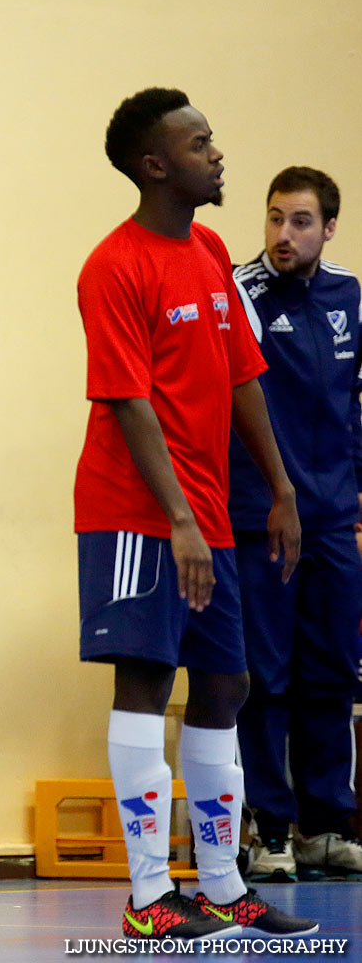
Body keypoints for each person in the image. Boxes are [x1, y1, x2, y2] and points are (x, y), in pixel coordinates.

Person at [74, 87, 316, 938]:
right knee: (146, 680)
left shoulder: (211, 251)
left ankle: (221, 884)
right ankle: (149, 899)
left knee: (227, 683)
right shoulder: (114, 265)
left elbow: (243, 373)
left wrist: (280, 488)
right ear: (155, 165)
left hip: (206, 512)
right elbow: (129, 403)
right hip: (135, 513)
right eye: (200, 142)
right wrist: (176, 518)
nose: (217, 154)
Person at [228, 166, 362, 881]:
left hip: (336, 521)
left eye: (301, 221)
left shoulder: (350, 294)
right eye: (276, 218)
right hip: (261, 519)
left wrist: (357, 493)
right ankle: (272, 830)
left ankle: (327, 826)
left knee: (334, 671)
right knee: (268, 676)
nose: (284, 234)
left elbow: (356, 402)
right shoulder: (239, 293)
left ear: (329, 227)